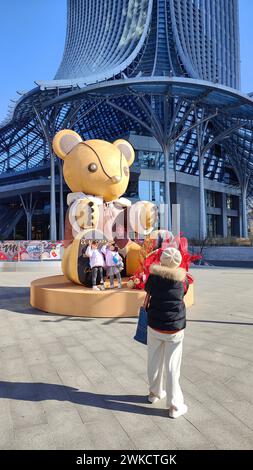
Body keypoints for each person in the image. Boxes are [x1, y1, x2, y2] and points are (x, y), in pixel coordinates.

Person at [144, 246, 189, 418]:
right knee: (172, 367)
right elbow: (183, 294)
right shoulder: (183, 281)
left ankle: (154, 394)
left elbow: (147, 291)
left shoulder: (153, 278)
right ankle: (175, 406)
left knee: (153, 361)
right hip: (174, 328)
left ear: (162, 259)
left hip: (154, 324)